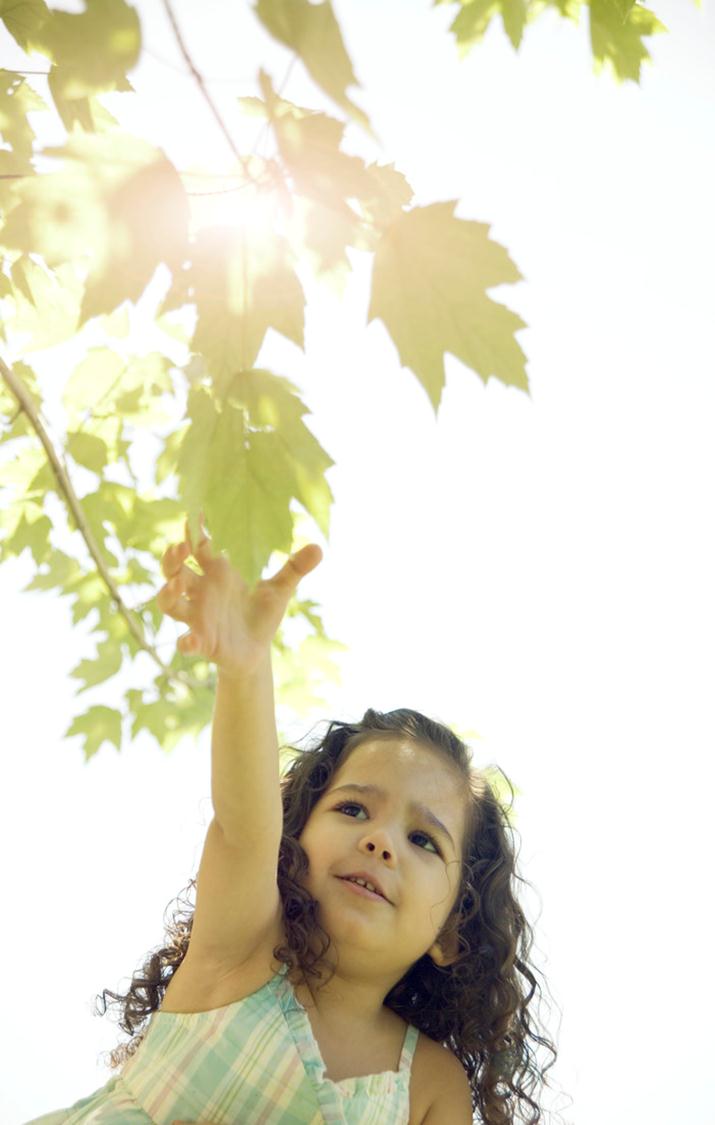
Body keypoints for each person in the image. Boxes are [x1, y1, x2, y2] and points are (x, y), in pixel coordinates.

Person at [25, 514, 557, 1125]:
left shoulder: (429, 1084)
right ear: (292, 840)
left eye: (423, 840)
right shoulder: (246, 945)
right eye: (353, 808)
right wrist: (246, 668)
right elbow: (243, 823)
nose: (380, 841)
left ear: (452, 933)